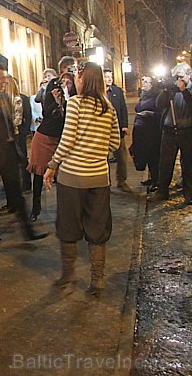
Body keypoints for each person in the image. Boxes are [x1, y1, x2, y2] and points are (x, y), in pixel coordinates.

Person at [43, 61, 120, 297]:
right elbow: (115, 143)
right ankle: (97, 280)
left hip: (72, 177)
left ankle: (69, 274)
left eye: (78, 75)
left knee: (68, 226)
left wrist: (52, 165)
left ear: (85, 80)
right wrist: (96, 148)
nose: (76, 78)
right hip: (99, 178)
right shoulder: (109, 108)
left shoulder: (76, 103)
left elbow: (67, 141)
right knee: (97, 229)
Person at [0, 63, 48, 243]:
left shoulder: (4, 97)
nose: (5, 81)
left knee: (16, 192)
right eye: (1, 78)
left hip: (8, 153)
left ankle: (28, 229)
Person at [27, 58, 77, 222]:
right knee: (39, 175)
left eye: (70, 69)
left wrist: (68, 97)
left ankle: (66, 209)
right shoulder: (53, 86)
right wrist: (57, 102)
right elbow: (47, 113)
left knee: (64, 176)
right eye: (64, 69)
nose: (65, 78)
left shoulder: (76, 89)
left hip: (63, 139)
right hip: (44, 138)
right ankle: (35, 208)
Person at [149, 64, 192, 205]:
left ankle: (188, 193)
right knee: (165, 163)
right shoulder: (171, 90)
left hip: (187, 131)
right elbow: (159, 104)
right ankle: (162, 190)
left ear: (188, 75)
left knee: (189, 163)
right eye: (176, 77)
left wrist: (184, 90)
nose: (178, 80)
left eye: (181, 77)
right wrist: (166, 90)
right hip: (169, 130)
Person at [129, 76, 162, 190]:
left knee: (153, 156)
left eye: (147, 82)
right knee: (144, 155)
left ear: (152, 85)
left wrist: (150, 114)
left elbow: (161, 114)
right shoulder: (144, 96)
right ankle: (152, 178)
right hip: (140, 131)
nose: (144, 83)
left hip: (151, 131)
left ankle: (156, 180)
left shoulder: (157, 97)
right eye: (143, 81)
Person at [104, 70, 132, 193]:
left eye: (110, 76)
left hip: (117, 130)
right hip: (103, 131)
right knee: (104, 158)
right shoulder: (98, 93)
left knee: (121, 156)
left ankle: (122, 181)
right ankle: (106, 182)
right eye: (106, 77)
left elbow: (123, 109)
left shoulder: (117, 91)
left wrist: (124, 125)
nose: (109, 79)